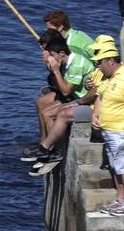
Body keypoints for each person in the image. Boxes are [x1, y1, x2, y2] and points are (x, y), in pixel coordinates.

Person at [25, 30, 99, 174]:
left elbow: (65, 91)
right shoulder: (67, 62)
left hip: (85, 100)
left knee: (53, 113)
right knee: (45, 111)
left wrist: (56, 71)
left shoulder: (76, 64)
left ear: (61, 54)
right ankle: (48, 148)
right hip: (77, 97)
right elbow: (56, 83)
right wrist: (53, 69)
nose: (50, 58)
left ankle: (53, 150)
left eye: (52, 55)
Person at [90, 43, 124, 214]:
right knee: (115, 165)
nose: (98, 66)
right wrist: (96, 114)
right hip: (108, 131)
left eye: (100, 62)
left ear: (111, 61)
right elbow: (100, 96)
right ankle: (120, 198)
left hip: (121, 132)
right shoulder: (107, 78)